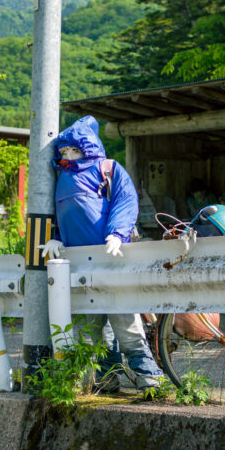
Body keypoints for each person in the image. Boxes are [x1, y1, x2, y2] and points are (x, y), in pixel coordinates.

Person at [40, 115, 167, 398]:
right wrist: (57, 239)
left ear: (88, 147)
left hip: (113, 258)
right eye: (63, 151)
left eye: (73, 150)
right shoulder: (63, 178)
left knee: (126, 324)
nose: (67, 155)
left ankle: (150, 380)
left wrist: (117, 233)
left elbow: (125, 200)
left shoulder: (107, 169)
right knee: (91, 328)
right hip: (82, 265)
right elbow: (66, 216)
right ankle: (105, 378)